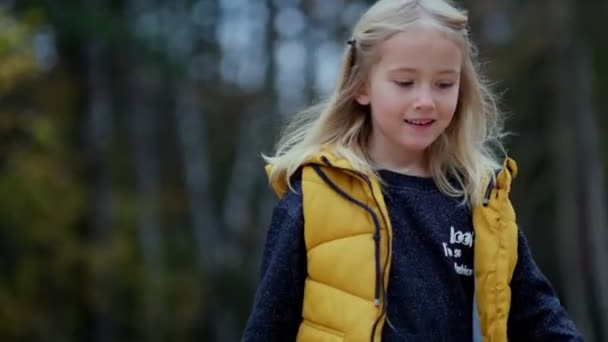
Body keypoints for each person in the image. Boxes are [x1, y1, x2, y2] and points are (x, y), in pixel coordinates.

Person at [243, 0, 583, 341]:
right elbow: (269, 328)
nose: (426, 100)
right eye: (405, 82)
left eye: (444, 84)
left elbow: (539, 318)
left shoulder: (482, 201)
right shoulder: (315, 195)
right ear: (361, 86)